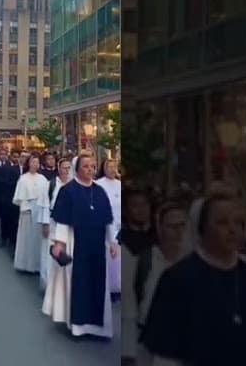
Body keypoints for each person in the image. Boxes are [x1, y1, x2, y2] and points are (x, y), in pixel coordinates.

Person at [141, 193, 246, 366]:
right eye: (222, 222)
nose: (232, 229)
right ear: (202, 229)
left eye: (238, 222)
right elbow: (164, 355)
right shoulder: (177, 280)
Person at [42, 152, 117, 338]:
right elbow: (62, 221)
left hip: (98, 246)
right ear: (77, 169)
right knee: (79, 284)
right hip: (76, 243)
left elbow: (108, 219)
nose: (90, 169)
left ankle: (99, 329)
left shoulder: (100, 191)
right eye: (85, 166)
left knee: (98, 284)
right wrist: (59, 243)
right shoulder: (68, 191)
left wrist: (112, 241)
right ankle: (78, 327)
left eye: (92, 166)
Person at [122, 202, 190, 366]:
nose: (179, 232)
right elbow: (130, 312)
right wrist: (128, 354)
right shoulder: (143, 262)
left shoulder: (197, 264)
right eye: (172, 226)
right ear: (159, 228)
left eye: (183, 225)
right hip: (149, 348)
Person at [38, 157, 71, 290]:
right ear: (59, 169)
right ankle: (49, 283)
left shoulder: (75, 184)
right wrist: (45, 224)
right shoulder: (51, 184)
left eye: (69, 168)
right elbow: (45, 205)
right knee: (50, 252)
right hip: (53, 222)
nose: (67, 171)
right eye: (64, 168)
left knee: (67, 252)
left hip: (69, 224)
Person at [13, 154, 48, 273]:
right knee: (26, 238)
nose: (35, 164)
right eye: (33, 162)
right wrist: (25, 208)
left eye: (37, 162)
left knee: (37, 239)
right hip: (27, 210)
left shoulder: (43, 179)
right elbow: (19, 197)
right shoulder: (23, 178)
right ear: (29, 163)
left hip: (39, 210)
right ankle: (24, 264)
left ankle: (37, 266)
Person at [96, 159, 122, 299]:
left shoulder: (119, 184)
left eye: (114, 167)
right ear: (104, 168)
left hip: (120, 225)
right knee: (109, 258)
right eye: (109, 167)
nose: (112, 169)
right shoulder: (99, 184)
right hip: (106, 226)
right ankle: (108, 288)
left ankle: (119, 288)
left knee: (120, 260)